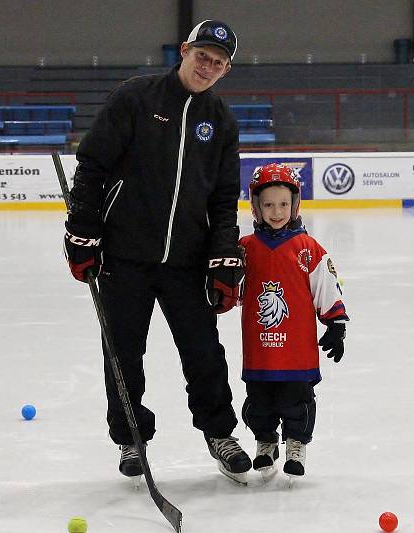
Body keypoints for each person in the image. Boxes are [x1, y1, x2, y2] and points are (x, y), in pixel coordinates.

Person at [63, 19, 252, 483]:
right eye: (202, 56)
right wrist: (82, 229)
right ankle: (130, 439)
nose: (208, 67)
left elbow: (224, 198)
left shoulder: (221, 121)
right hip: (124, 255)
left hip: (186, 260)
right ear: (184, 50)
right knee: (123, 352)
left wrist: (224, 256)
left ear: (226, 71)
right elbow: (92, 162)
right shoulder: (137, 97)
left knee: (205, 352)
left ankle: (220, 434)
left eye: (218, 63)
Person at [238, 162, 349, 480]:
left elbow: (326, 287)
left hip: (297, 350)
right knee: (259, 401)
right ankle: (265, 441)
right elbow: (234, 293)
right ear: (257, 207)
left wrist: (336, 323)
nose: (276, 211)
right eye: (268, 204)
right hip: (260, 348)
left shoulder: (308, 249)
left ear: (295, 205)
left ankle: (296, 443)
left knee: (296, 400)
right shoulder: (246, 249)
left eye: (283, 204)